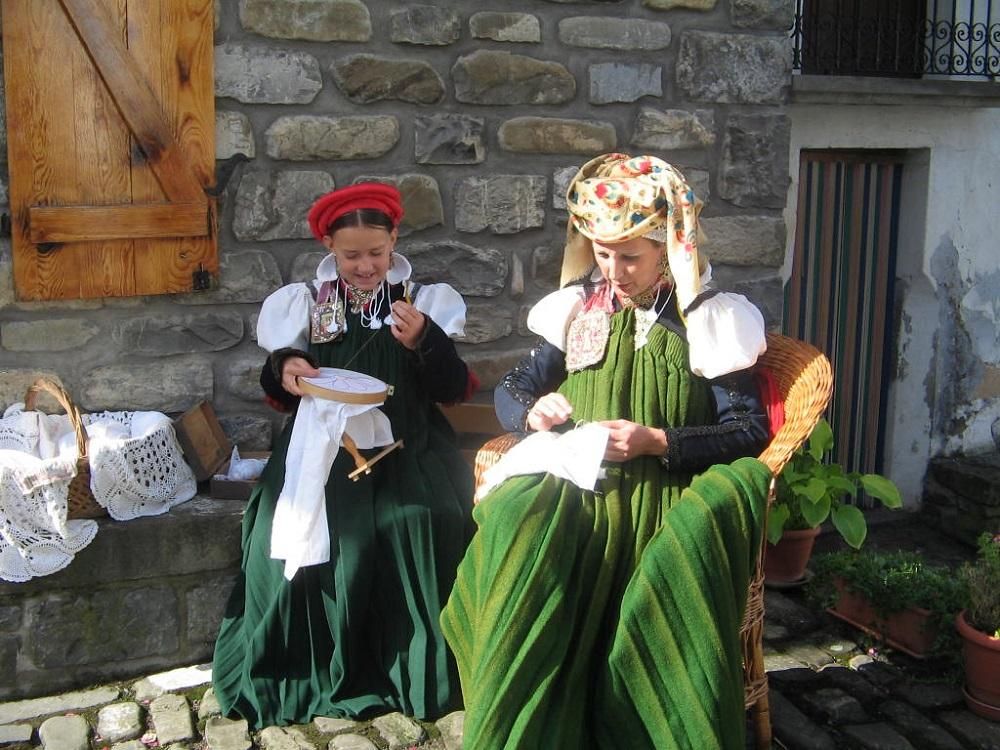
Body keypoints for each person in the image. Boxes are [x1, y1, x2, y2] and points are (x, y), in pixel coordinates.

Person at [441, 154, 774, 749]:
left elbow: (749, 429)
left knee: (637, 560)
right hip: (576, 474)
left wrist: (660, 441)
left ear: (668, 247)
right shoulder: (580, 308)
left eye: (630, 257)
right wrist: (529, 414)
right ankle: (521, 717)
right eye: (601, 253)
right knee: (514, 530)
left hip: (663, 483)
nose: (613, 271)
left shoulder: (707, 317)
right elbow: (513, 388)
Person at [213, 182, 476, 729]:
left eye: (376, 254)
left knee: (424, 521)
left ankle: (413, 669)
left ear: (394, 242)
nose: (364, 266)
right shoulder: (308, 303)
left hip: (410, 447)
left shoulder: (422, 302)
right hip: (324, 450)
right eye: (351, 254)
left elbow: (452, 388)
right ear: (329, 246)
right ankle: (310, 663)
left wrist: (426, 342)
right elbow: (282, 382)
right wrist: (287, 369)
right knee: (285, 533)